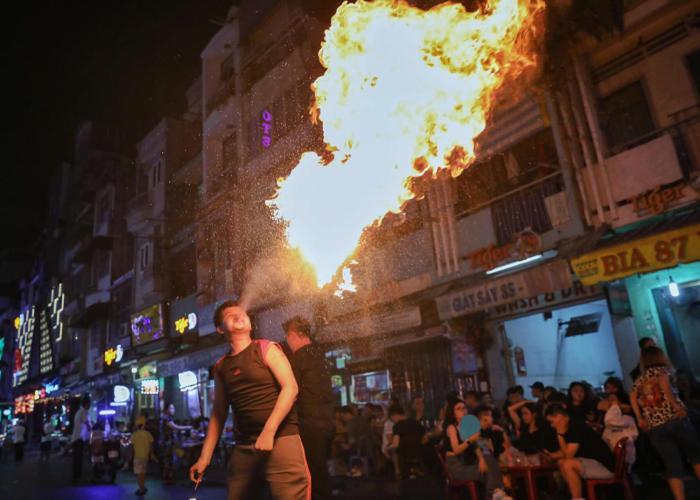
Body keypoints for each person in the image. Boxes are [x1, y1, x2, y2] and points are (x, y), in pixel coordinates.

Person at [189, 301, 309, 499]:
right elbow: (219, 413)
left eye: (241, 312)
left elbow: (291, 388)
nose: (238, 315)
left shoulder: (265, 348)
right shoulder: (220, 367)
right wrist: (204, 458)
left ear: (250, 324)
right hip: (244, 446)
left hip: (281, 439)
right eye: (230, 315)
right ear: (220, 329)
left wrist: (269, 432)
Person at [631, 346, 700, 500]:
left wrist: (639, 417)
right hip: (674, 419)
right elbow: (665, 386)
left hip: (655, 427)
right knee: (696, 456)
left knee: (672, 466)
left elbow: (632, 397)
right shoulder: (664, 371)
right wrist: (675, 406)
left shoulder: (640, 378)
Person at [284, 315, 335, 500]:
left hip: (309, 425)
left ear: (293, 335)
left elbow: (291, 392)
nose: (287, 341)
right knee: (321, 471)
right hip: (327, 423)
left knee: (311, 474)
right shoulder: (319, 354)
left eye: (287, 336)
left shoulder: (298, 359)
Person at [441, 399, 512, 500]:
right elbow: (456, 449)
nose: (463, 410)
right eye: (458, 409)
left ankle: (496, 493)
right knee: (485, 471)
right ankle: (494, 494)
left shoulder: (466, 426)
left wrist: (481, 459)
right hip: (456, 465)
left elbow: (475, 446)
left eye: (464, 408)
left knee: (488, 460)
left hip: (467, 461)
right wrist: (470, 440)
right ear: (453, 413)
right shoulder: (451, 428)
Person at [544, 403, 614, 500]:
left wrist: (560, 435)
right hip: (591, 462)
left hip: (605, 465)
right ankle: (576, 495)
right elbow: (567, 450)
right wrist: (552, 456)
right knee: (561, 462)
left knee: (568, 464)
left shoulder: (576, 427)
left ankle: (577, 498)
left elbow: (568, 455)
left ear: (559, 417)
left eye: (552, 421)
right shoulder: (570, 427)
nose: (552, 425)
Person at [160, 402, 191, 484]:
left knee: (169, 460)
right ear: (167, 410)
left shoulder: (168, 417)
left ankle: (169, 478)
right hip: (167, 442)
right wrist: (188, 427)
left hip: (169, 442)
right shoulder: (166, 418)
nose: (173, 410)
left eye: (173, 408)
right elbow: (175, 427)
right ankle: (167, 478)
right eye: (171, 408)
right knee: (168, 460)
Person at [132, 415, 156, 496]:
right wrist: (152, 454)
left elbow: (131, 447)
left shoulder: (134, 435)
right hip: (145, 457)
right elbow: (151, 444)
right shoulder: (148, 434)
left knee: (139, 474)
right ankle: (143, 487)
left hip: (137, 457)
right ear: (144, 425)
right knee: (143, 473)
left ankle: (140, 489)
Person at [72, 396, 91, 482]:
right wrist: (91, 428)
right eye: (89, 404)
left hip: (77, 437)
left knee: (77, 457)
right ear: (86, 404)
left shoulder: (80, 412)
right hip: (79, 438)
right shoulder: (83, 412)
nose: (90, 406)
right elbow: (86, 422)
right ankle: (77, 476)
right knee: (78, 457)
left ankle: (76, 475)